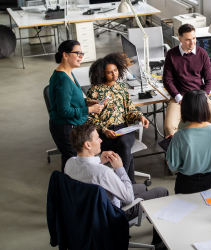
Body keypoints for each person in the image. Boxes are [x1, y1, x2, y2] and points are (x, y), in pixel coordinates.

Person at [64, 124, 168, 248]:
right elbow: (129, 198)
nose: (101, 140)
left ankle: (152, 217)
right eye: (97, 138)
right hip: (112, 214)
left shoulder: (69, 164)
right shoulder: (103, 173)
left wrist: (99, 160)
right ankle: (158, 241)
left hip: (87, 211)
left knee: (142, 188)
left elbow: (87, 167)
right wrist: (120, 168)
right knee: (162, 192)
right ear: (87, 145)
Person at [86, 52, 149, 183]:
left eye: (115, 70)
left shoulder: (121, 87)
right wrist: (104, 130)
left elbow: (130, 109)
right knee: (125, 150)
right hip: (104, 132)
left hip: (123, 128)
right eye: (110, 72)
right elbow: (90, 118)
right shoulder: (94, 91)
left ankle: (120, 184)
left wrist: (140, 116)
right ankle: (129, 184)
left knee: (123, 144)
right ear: (102, 73)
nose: (114, 74)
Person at [48, 40, 103, 172]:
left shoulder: (68, 73)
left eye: (81, 53)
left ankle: (67, 188)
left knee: (69, 163)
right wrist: (89, 109)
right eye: (77, 53)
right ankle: (69, 189)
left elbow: (69, 100)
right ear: (65, 55)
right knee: (73, 165)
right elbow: (64, 111)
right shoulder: (63, 79)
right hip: (65, 127)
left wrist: (85, 102)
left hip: (69, 125)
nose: (81, 56)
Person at [163, 24, 211, 136]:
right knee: (169, 126)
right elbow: (167, 80)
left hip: (199, 97)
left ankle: (208, 148)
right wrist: (178, 98)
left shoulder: (202, 53)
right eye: (188, 40)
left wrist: (203, 96)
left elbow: (209, 79)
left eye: (194, 38)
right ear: (180, 39)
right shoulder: (171, 54)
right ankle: (178, 152)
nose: (192, 42)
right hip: (180, 98)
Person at [166, 89, 211, 194]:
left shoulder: (179, 136)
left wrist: (170, 145)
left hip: (185, 183)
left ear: (184, 109)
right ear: (206, 108)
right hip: (209, 180)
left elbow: (172, 166)